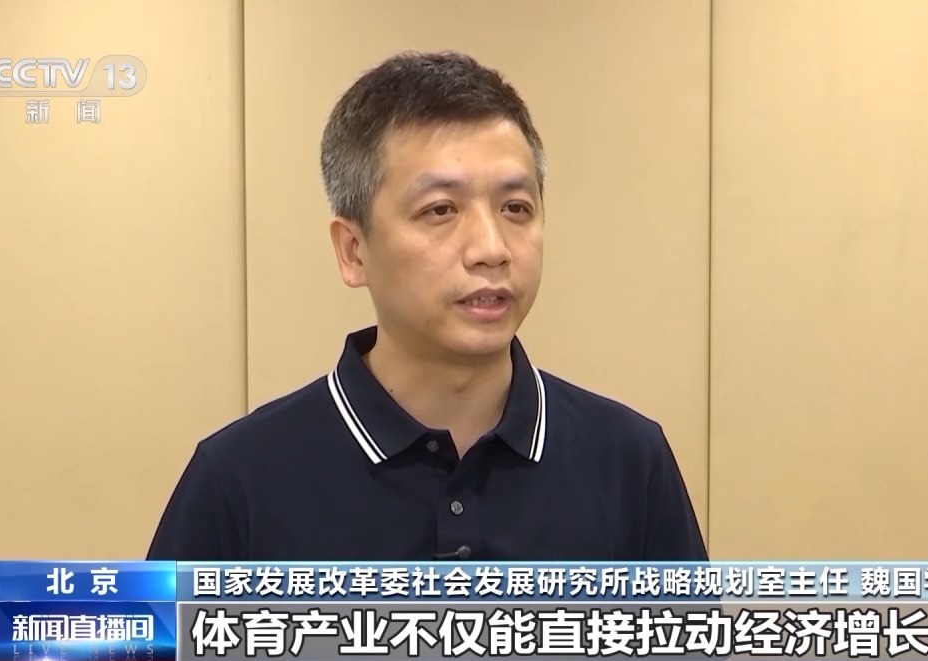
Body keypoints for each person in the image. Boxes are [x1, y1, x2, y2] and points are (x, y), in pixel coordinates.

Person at [147, 51, 707, 562]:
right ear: (353, 250)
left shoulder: (630, 462)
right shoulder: (237, 481)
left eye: (516, 208)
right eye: (440, 210)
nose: (491, 249)